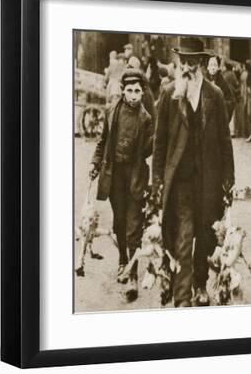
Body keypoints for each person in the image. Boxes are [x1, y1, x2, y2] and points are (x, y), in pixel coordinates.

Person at [152, 37, 235, 307]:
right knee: (183, 236)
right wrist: (157, 181)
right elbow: (160, 141)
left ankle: (201, 284)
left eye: (191, 62)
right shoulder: (168, 93)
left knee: (206, 236)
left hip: (208, 181)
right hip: (180, 182)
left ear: (201, 63)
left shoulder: (215, 95)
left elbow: (225, 140)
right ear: (178, 63)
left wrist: (228, 180)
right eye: (182, 61)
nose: (186, 67)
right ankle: (183, 296)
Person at [89, 69, 154, 302]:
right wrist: (96, 163)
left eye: (138, 91)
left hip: (135, 176)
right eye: (130, 91)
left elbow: (149, 149)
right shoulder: (111, 112)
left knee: (134, 224)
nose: (134, 96)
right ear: (122, 91)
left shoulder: (146, 119)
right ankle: (123, 260)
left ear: (143, 92)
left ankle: (133, 273)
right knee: (119, 222)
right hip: (114, 174)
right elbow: (103, 141)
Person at [207, 56, 236, 122]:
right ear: (207, 67)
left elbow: (231, 102)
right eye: (211, 65)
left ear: (218, 68)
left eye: (215, 65)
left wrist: (220, 103)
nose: (213, 68)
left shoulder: (223, 83)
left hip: (217, 119)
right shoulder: (203, 81)